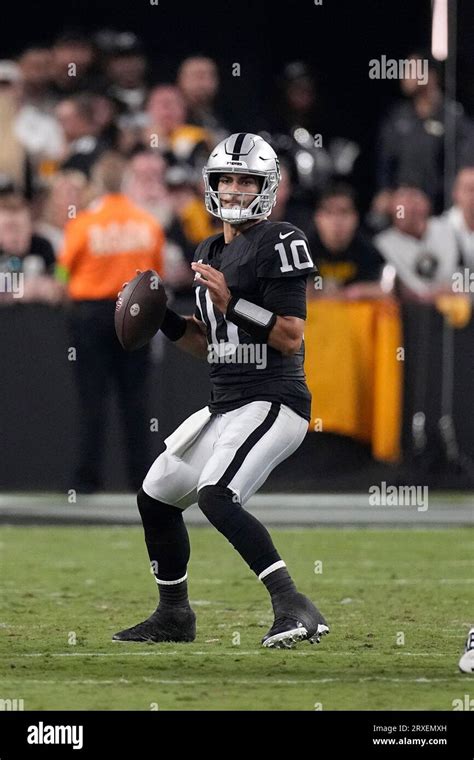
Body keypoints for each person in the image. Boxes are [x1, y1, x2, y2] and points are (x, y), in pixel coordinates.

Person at [113, 133, 329, 649]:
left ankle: (293, 603)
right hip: (226, 403)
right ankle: (174, 615)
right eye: (226, 179)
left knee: (216, 495)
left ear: (267, 185)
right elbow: (210, 346)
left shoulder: (281, 240)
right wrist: (163, 320)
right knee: (156, 497)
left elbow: (289, 335)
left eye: (246, 180)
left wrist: (232, 303)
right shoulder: (209, 247)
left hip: (274, 399)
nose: (233, 189)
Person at [56, 152, 165, 493]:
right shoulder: (147, 223)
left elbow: (62, 270)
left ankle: (87, 480)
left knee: (93, 401)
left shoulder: (84, 223)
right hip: (135, 314)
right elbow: (156, 273)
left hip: (91, 315)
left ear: (97, 183)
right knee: (136, 402)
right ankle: (142, 480)